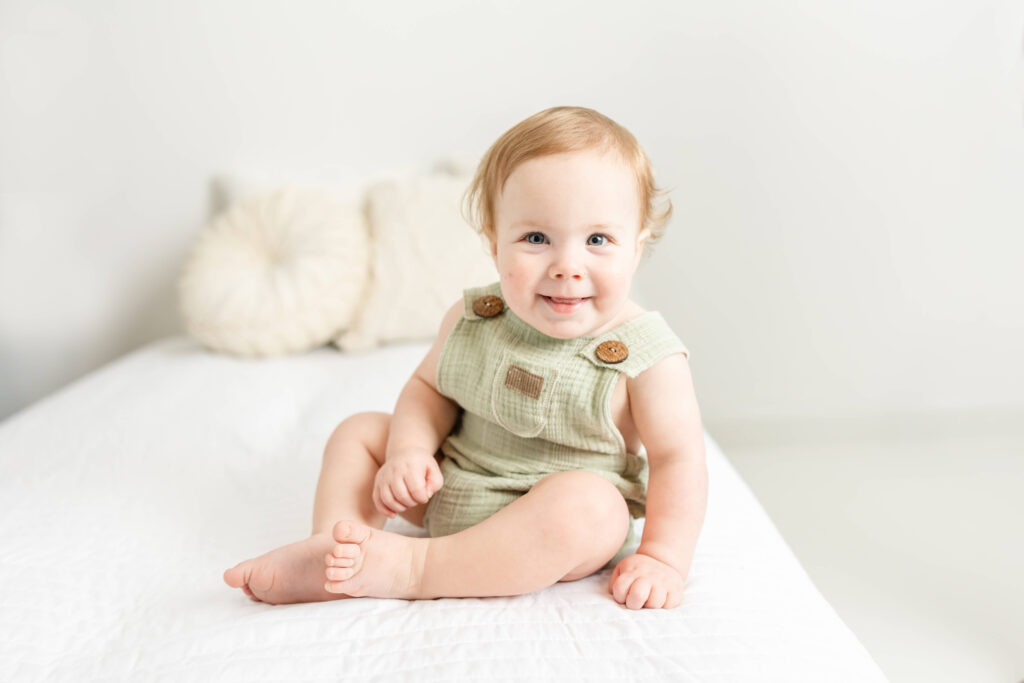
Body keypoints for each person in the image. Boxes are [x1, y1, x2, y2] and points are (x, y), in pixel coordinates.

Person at [223, 106, 708, 610]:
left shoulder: (648, 357)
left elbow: (679, 461)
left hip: (550, 525)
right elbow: (428, 390)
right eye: (536, 239)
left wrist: (663, 557)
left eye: (598, 240)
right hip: (451, 483)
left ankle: (413, 568)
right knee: (360, 432)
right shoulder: (474, 316)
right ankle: (334, 548)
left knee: (593, 508)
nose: (568, 266)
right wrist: (408, 452)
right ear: (494, 241)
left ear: (636, 247)